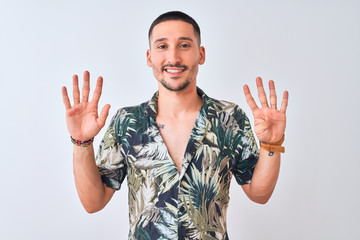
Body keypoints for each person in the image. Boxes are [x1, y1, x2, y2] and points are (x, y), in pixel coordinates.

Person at [62, 11, 288, 240]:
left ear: (201, 54)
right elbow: (93, 202)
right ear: (149, 57)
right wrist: (82, 142)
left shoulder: (229, 119)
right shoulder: (127, 122)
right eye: (162, 46)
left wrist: (272, 143)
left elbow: (259, 194)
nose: (173, 57)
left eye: (184, 45)